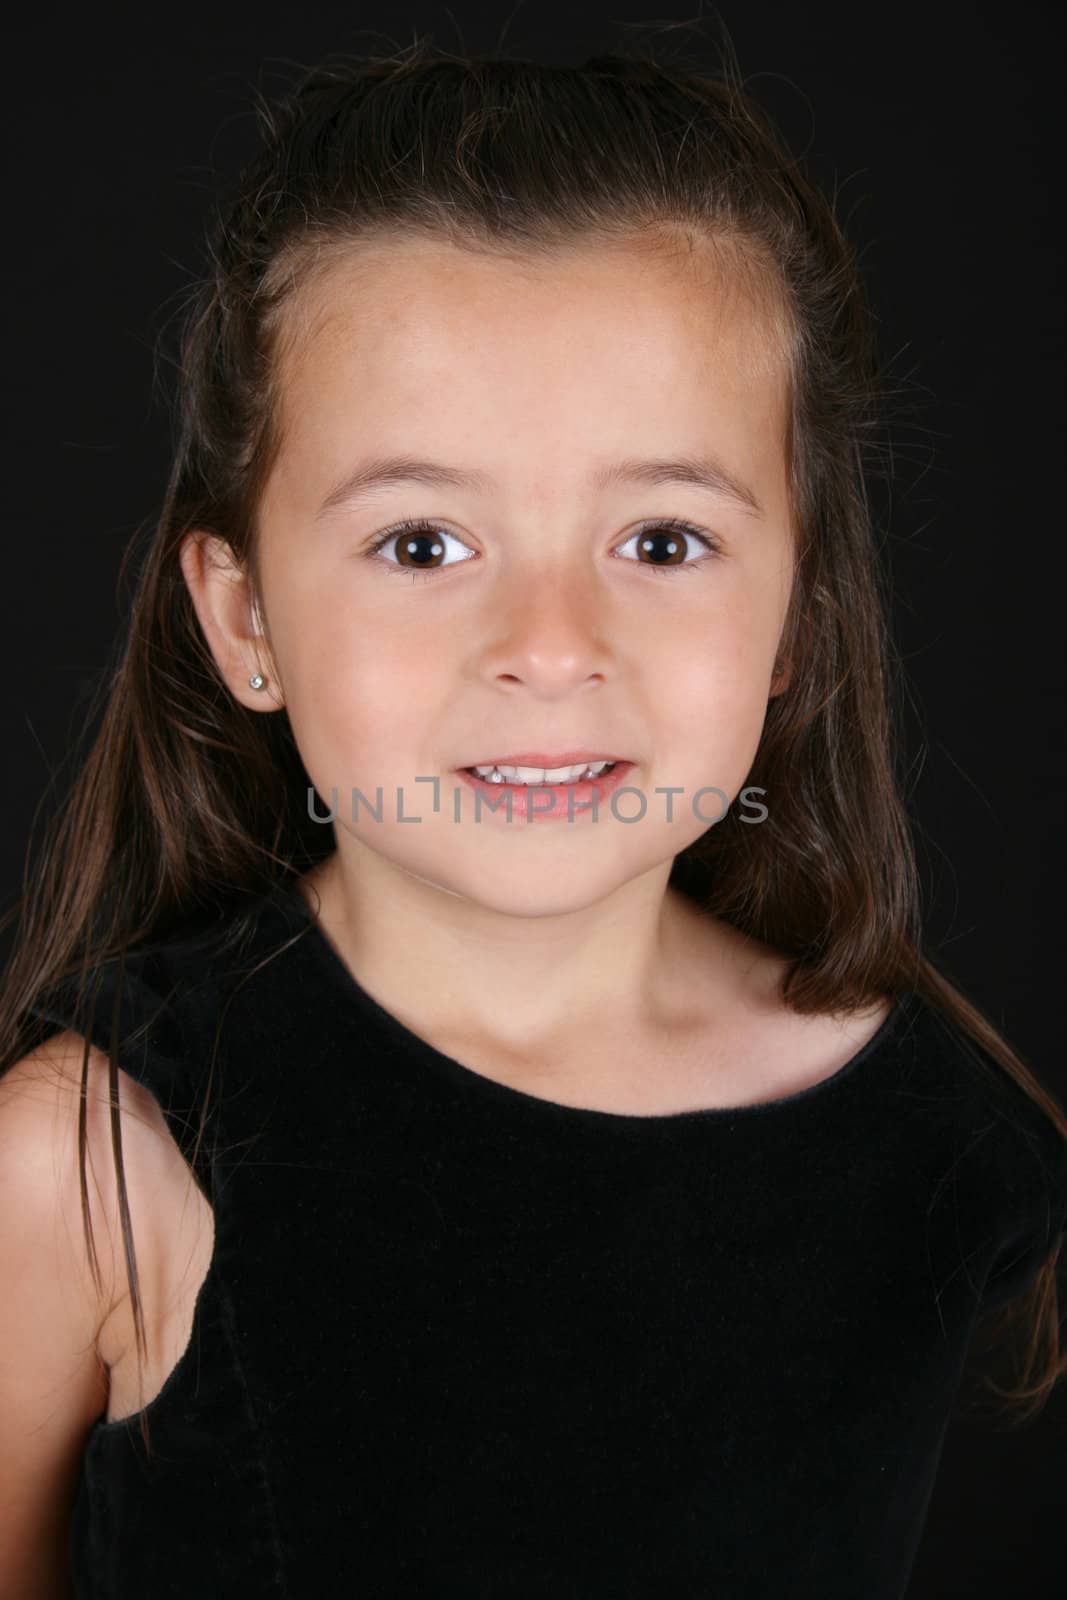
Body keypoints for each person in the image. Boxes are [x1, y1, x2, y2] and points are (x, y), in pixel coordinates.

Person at [1, 33, 1064, 1600]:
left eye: (662, 537)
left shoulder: (937, 1139)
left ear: (799, 624)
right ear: (247, 626)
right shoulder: (88, 1168)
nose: (554, 644)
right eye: (424, 543)